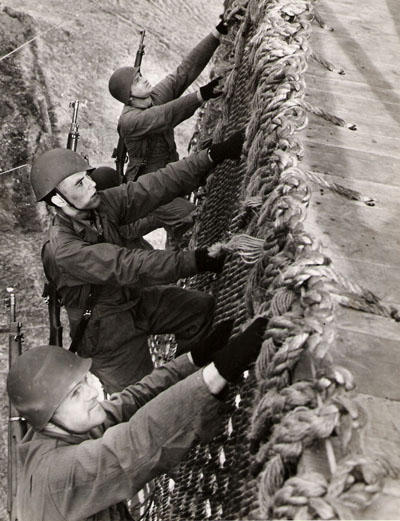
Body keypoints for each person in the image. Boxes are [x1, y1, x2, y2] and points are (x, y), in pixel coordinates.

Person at [32, 132, 244, 394]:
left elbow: (153, 186)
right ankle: (178, 400)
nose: (91, 184)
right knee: (139, 401)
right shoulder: (63, 250)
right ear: (57, 200)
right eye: (79, 183)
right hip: (108, 336)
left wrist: (213, 155)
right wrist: (196, 261)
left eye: (88, 176)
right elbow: (129, 265)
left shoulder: (99, 207)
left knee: (199, 309)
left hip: (132, 301)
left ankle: (190, 385)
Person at [7, 317, 267, 521]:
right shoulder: (56, 475)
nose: (92, 392)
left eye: (84, 381)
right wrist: (217, 372)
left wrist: (192, 360)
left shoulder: (65, 428)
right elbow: (132, 446)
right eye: (75, 394)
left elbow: (130, 401)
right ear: (49, 417)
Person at [108, 19, 229, 242]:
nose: (145, 81)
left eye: (140, 76)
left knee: (179, 228)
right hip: (149, 191)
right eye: (137, 81)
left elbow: (182, 73)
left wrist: (216, 34)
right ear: (129, 97)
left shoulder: (151, 98)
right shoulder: (130, 121)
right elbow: (165, 116)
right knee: (192, 218)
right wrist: (201, 95)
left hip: (170, 174)